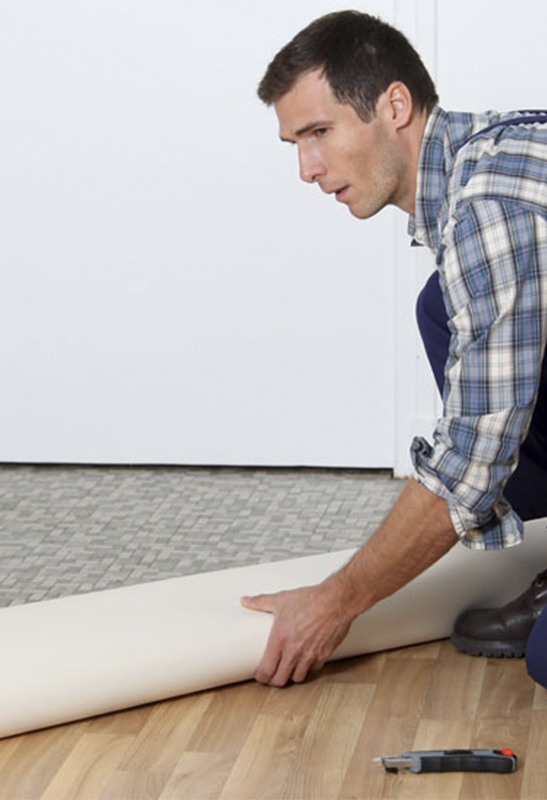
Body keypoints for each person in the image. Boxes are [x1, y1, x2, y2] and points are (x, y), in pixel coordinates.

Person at [240, 9, 547, 690]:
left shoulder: (489, 208)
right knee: (442, 307)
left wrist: (337, 601)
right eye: (295, 142)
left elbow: (471, 462)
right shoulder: (488, 156)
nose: (307, 168)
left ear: (396, 105)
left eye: (319, 132)